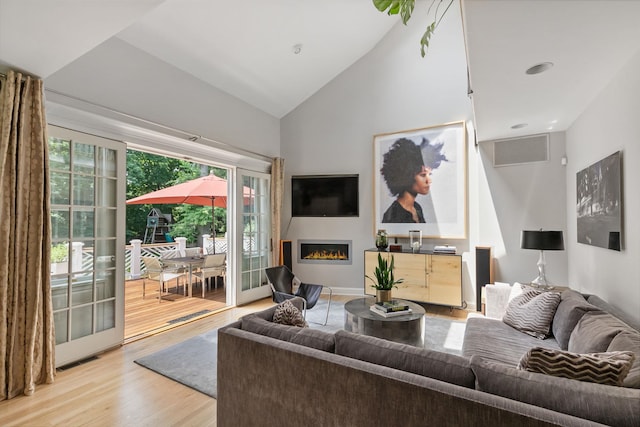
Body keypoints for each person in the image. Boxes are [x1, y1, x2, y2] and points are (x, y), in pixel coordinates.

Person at [380, 137, 447, 223]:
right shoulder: (393, 215)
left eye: (429, 174)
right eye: (423, 175)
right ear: (407, 176)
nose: (429, 180)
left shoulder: (417, 208)